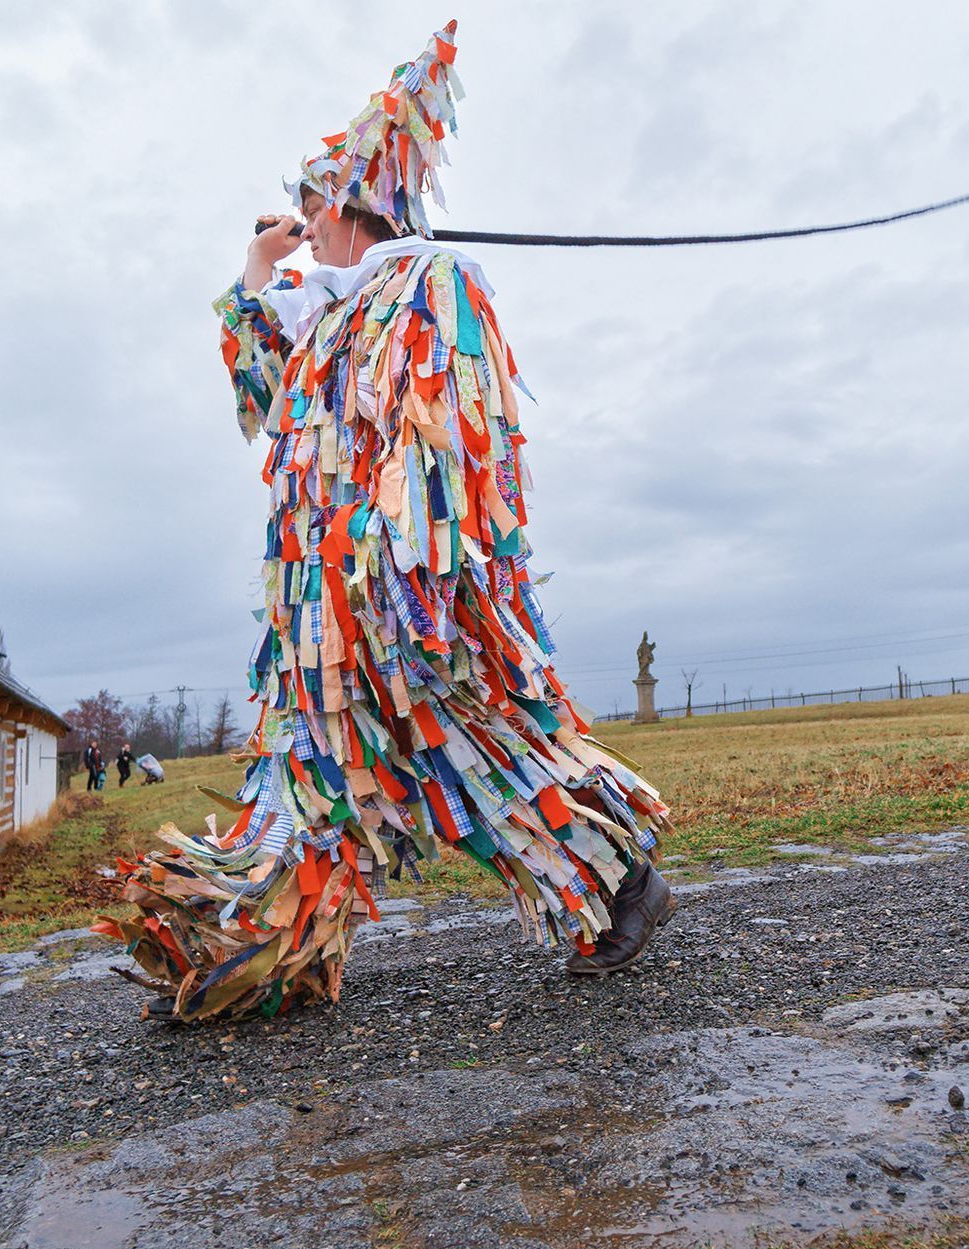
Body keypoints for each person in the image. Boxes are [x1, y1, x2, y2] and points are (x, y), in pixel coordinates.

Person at [95, 21, 672, 1022]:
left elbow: (443, 451)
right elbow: (261, 397)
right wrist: (250, 278)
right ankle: (254, 952)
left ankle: (621, 879)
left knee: (480, 764)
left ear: (356, 202)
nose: (302, 226)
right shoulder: (322, 320)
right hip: (316, 630)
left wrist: (406, 584)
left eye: (313, 208)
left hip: (398, 616)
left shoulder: (428, 288)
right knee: (308, 788)